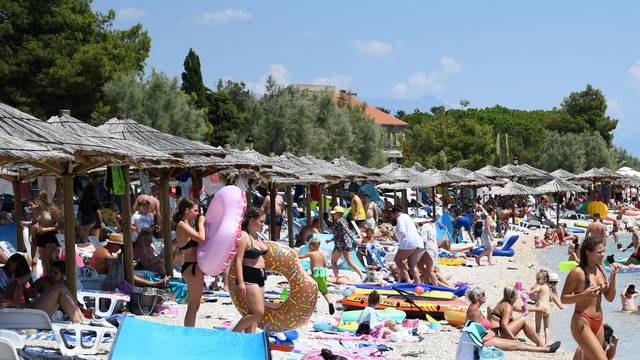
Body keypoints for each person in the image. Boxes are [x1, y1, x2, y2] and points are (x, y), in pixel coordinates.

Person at [561, 236, 619, 360]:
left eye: (604, 251)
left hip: (598, 321)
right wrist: (583, 295)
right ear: (588, 252)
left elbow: (610, 298)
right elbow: (563, 299)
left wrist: (613, 278)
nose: (603, 255)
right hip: (582, 321)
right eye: (599, 252)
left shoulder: (600, 269)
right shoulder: (578, 273)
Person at [1, 259, 85, 323]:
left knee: (62, 288)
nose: (51, 275)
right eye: (50, 272)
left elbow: (75, 303)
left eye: (55, 273)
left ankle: (81, 320)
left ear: (63, 275)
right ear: (26, 275)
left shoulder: (65, 284)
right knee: (60, 288)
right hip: (28, 314)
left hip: (32, 311)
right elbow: (12, 302)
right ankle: (79, 322)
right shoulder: (42, 281)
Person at [232, 208, 269, 333]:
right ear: (252, 220)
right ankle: (233, 335)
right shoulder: (244, 236)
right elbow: (238, 260)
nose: (263, 224)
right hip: (249, 276)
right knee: (258, 312)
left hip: (260, 276)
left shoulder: (257, 236)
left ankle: (249, 339)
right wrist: (241, 282)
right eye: (261, 221)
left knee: (252, 313)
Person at [174, 198, 206, 327]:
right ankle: (188, 332)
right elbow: (201, 238)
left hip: (193, 267)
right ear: (187, 210)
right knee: (193, 307)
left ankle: (190, 331)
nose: (197, 214)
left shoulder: (187, 225)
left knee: (195, 306)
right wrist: (201, 223)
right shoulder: (181, 225)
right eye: (195, 210)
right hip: (191, 268)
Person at [326, 206, 364, 280]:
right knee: (350, 263)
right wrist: (331, 240)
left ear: (338, 214)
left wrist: (354, 239)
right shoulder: (344, 220)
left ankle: (337, 277)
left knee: (333, 262)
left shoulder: (339, 221)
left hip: (340, 245)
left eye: (334, 213)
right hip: (346, 245)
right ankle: (362, 276)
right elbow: (341, 233)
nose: (333, 215)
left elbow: (347, 230)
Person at [298, 237, 334, 314]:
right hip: (322, 274)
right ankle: (330, 302)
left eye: (309, 246)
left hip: (315, 274)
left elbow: (300, 257)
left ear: (311, 246)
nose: (308, 248)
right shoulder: (321, 254)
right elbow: (325, 265)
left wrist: (293, 253)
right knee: (325, 292)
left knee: (312, 291)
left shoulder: (311, 253)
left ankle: (314, 307)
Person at [528, 270, 564, 345]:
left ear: (545, 280)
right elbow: (553, 298)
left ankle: (538, 344)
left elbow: (531, 292)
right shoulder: (548, 288)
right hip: (547, 310)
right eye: (536, 279)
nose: (537, 280)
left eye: (538, 279)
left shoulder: (540, 287)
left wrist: (525, 293)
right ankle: (546, 343)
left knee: (538, 328)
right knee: (546, 328)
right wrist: (561, 306)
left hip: (540, 309)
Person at [29, 192, 61, 275]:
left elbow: (61, 226)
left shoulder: (53, 210)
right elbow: (34, 222)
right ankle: (46, 278)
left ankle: (56, 276)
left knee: (47, 257)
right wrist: (33, 230)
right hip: (39, 235)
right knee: (43, 260)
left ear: (41, 199)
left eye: (36, 198)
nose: (35, 200)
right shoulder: (36, 210)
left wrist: (46, 229)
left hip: (51, 235)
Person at [391, 206, 421, 283]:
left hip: (409, 242)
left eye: (393, 216)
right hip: (418, 242)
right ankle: (419, 284)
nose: (394, 218)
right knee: (412, 266)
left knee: (397, 260)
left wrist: (397, 237)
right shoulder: (408, 217)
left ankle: (408, 281)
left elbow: (402, 231)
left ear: (395, 213)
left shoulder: (400, 218)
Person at [416, 218, 438, 285]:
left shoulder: (424, 227)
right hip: (432, 248)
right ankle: (427, 282)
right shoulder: (432, 226)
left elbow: (424, 240)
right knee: (420, 265)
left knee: (429, 270)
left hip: (427, 249)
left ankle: (435, 286)